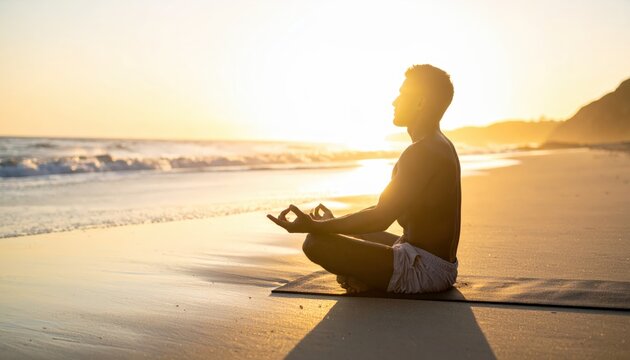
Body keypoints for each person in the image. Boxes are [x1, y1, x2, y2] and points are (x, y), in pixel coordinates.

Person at [267, 64, 461, 294]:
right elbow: (387, 207)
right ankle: (364, 278)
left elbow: (380, 218)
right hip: (427, 260)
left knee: (315, 243)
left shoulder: (423, 151)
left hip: (423, 271)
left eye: (402, 94)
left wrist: (316, 227)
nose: (394, 102)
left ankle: (369, 282)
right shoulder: (436, 144)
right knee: (345, 231)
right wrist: (331, 223)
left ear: (420, 102)